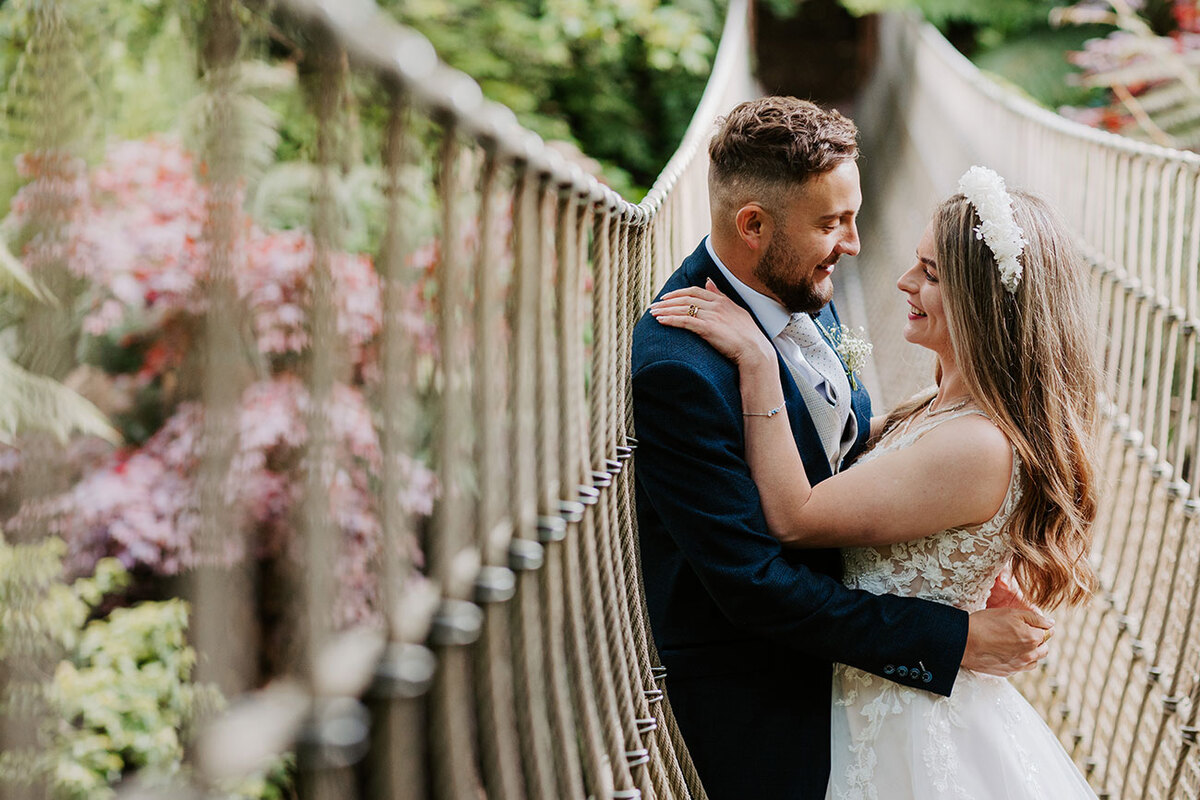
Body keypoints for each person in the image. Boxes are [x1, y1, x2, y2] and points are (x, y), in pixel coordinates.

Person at [631, 95, 1054, 800]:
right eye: (833, 223)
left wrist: (956, 558)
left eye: (855, 216)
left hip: (859, 673)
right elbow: (751, 585)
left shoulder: (797, 285)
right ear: (754, 226)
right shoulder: (683, 367)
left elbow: (852, 456)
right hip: (773, 693)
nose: (857, 246)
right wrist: (951, 636)